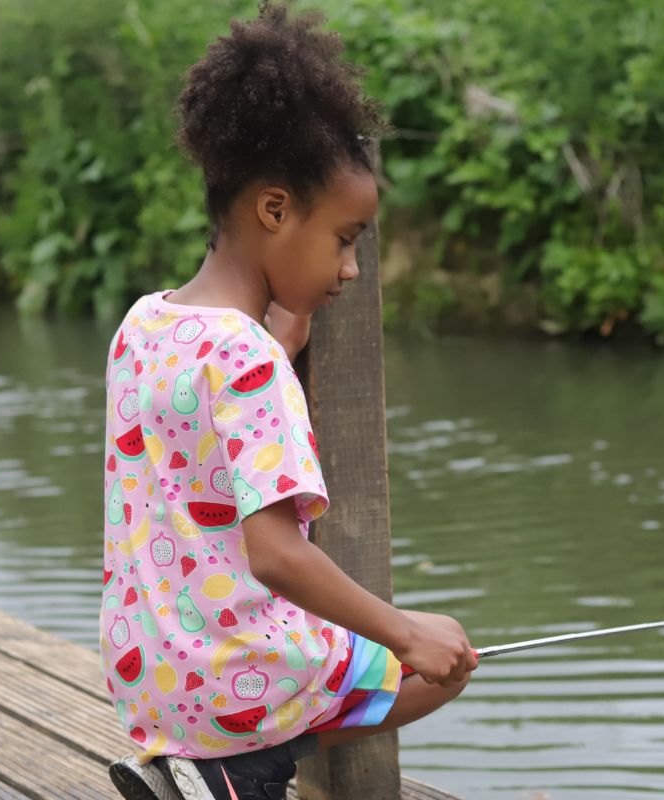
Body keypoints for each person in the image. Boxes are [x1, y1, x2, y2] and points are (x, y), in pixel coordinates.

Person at [101, 3, 478, 799]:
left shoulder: (147, 325)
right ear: (275, 210)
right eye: (345, 240)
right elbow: (276, 554)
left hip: (149, 676)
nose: (350, 269)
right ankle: (241, 772)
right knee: (444, 664)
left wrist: (288, 324)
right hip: (235, 681)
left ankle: (201, 769)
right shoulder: (252, 361)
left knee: (363, 658)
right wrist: (408, 633)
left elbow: (215, 404)